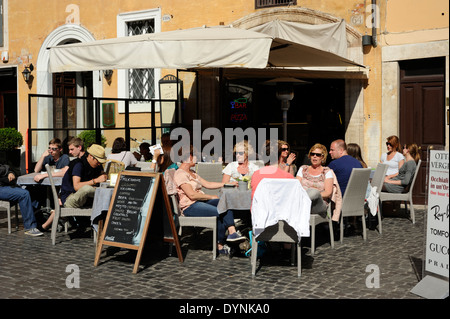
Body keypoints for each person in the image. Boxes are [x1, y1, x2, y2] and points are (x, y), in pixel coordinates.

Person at [173, 144, 244, 257]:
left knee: (225, 201)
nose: (197, 158)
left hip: (200, 202)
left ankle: (231, 233)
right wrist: (211, 197)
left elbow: (208, 184)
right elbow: (192, 195)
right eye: (195, 156)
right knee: (220, 211)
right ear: (189, 157)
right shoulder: (180, 174)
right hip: (190, 206)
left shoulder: (192, 172)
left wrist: (226, 183)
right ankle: (221, 244)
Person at [38, 137, 87, 231]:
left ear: (79, 147)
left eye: (72, 149)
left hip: (73, 194)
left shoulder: (77, 161)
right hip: (69, 192)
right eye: (69, 149)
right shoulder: (77, 161)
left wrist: (44, 175)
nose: (70, 152)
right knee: (58, 200)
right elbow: (36, 170)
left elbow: (69, 176)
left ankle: (45, 226)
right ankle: (48, 224)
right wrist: (42, 157)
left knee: (59, 203)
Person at [0, 163, 43, 236]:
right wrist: (7, 171)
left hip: (5, 185)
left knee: (32, 189)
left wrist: (10, 172)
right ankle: (30, 227)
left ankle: (38, 220)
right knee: (24, 194)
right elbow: (3, 169)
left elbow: (5, 167)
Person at [59, 144, 107, 209]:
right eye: (98, 161)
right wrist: (96, 180)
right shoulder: (78, 165)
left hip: (87, 199)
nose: (99, 164)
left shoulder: (97, 166)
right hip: (70, 198)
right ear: (90, 156)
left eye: (101, 163)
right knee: (87, 189)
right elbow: (76, 186)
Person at [296, 144, 334, 218]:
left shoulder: (326, 171)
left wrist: (314, 195)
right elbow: (296, 187)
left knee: (314, 192)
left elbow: (328, 193)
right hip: (302, 203)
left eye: (318, 155)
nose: (314, 156)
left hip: (318, 204)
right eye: (312, 154)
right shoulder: (303, 169)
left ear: (322, 157)